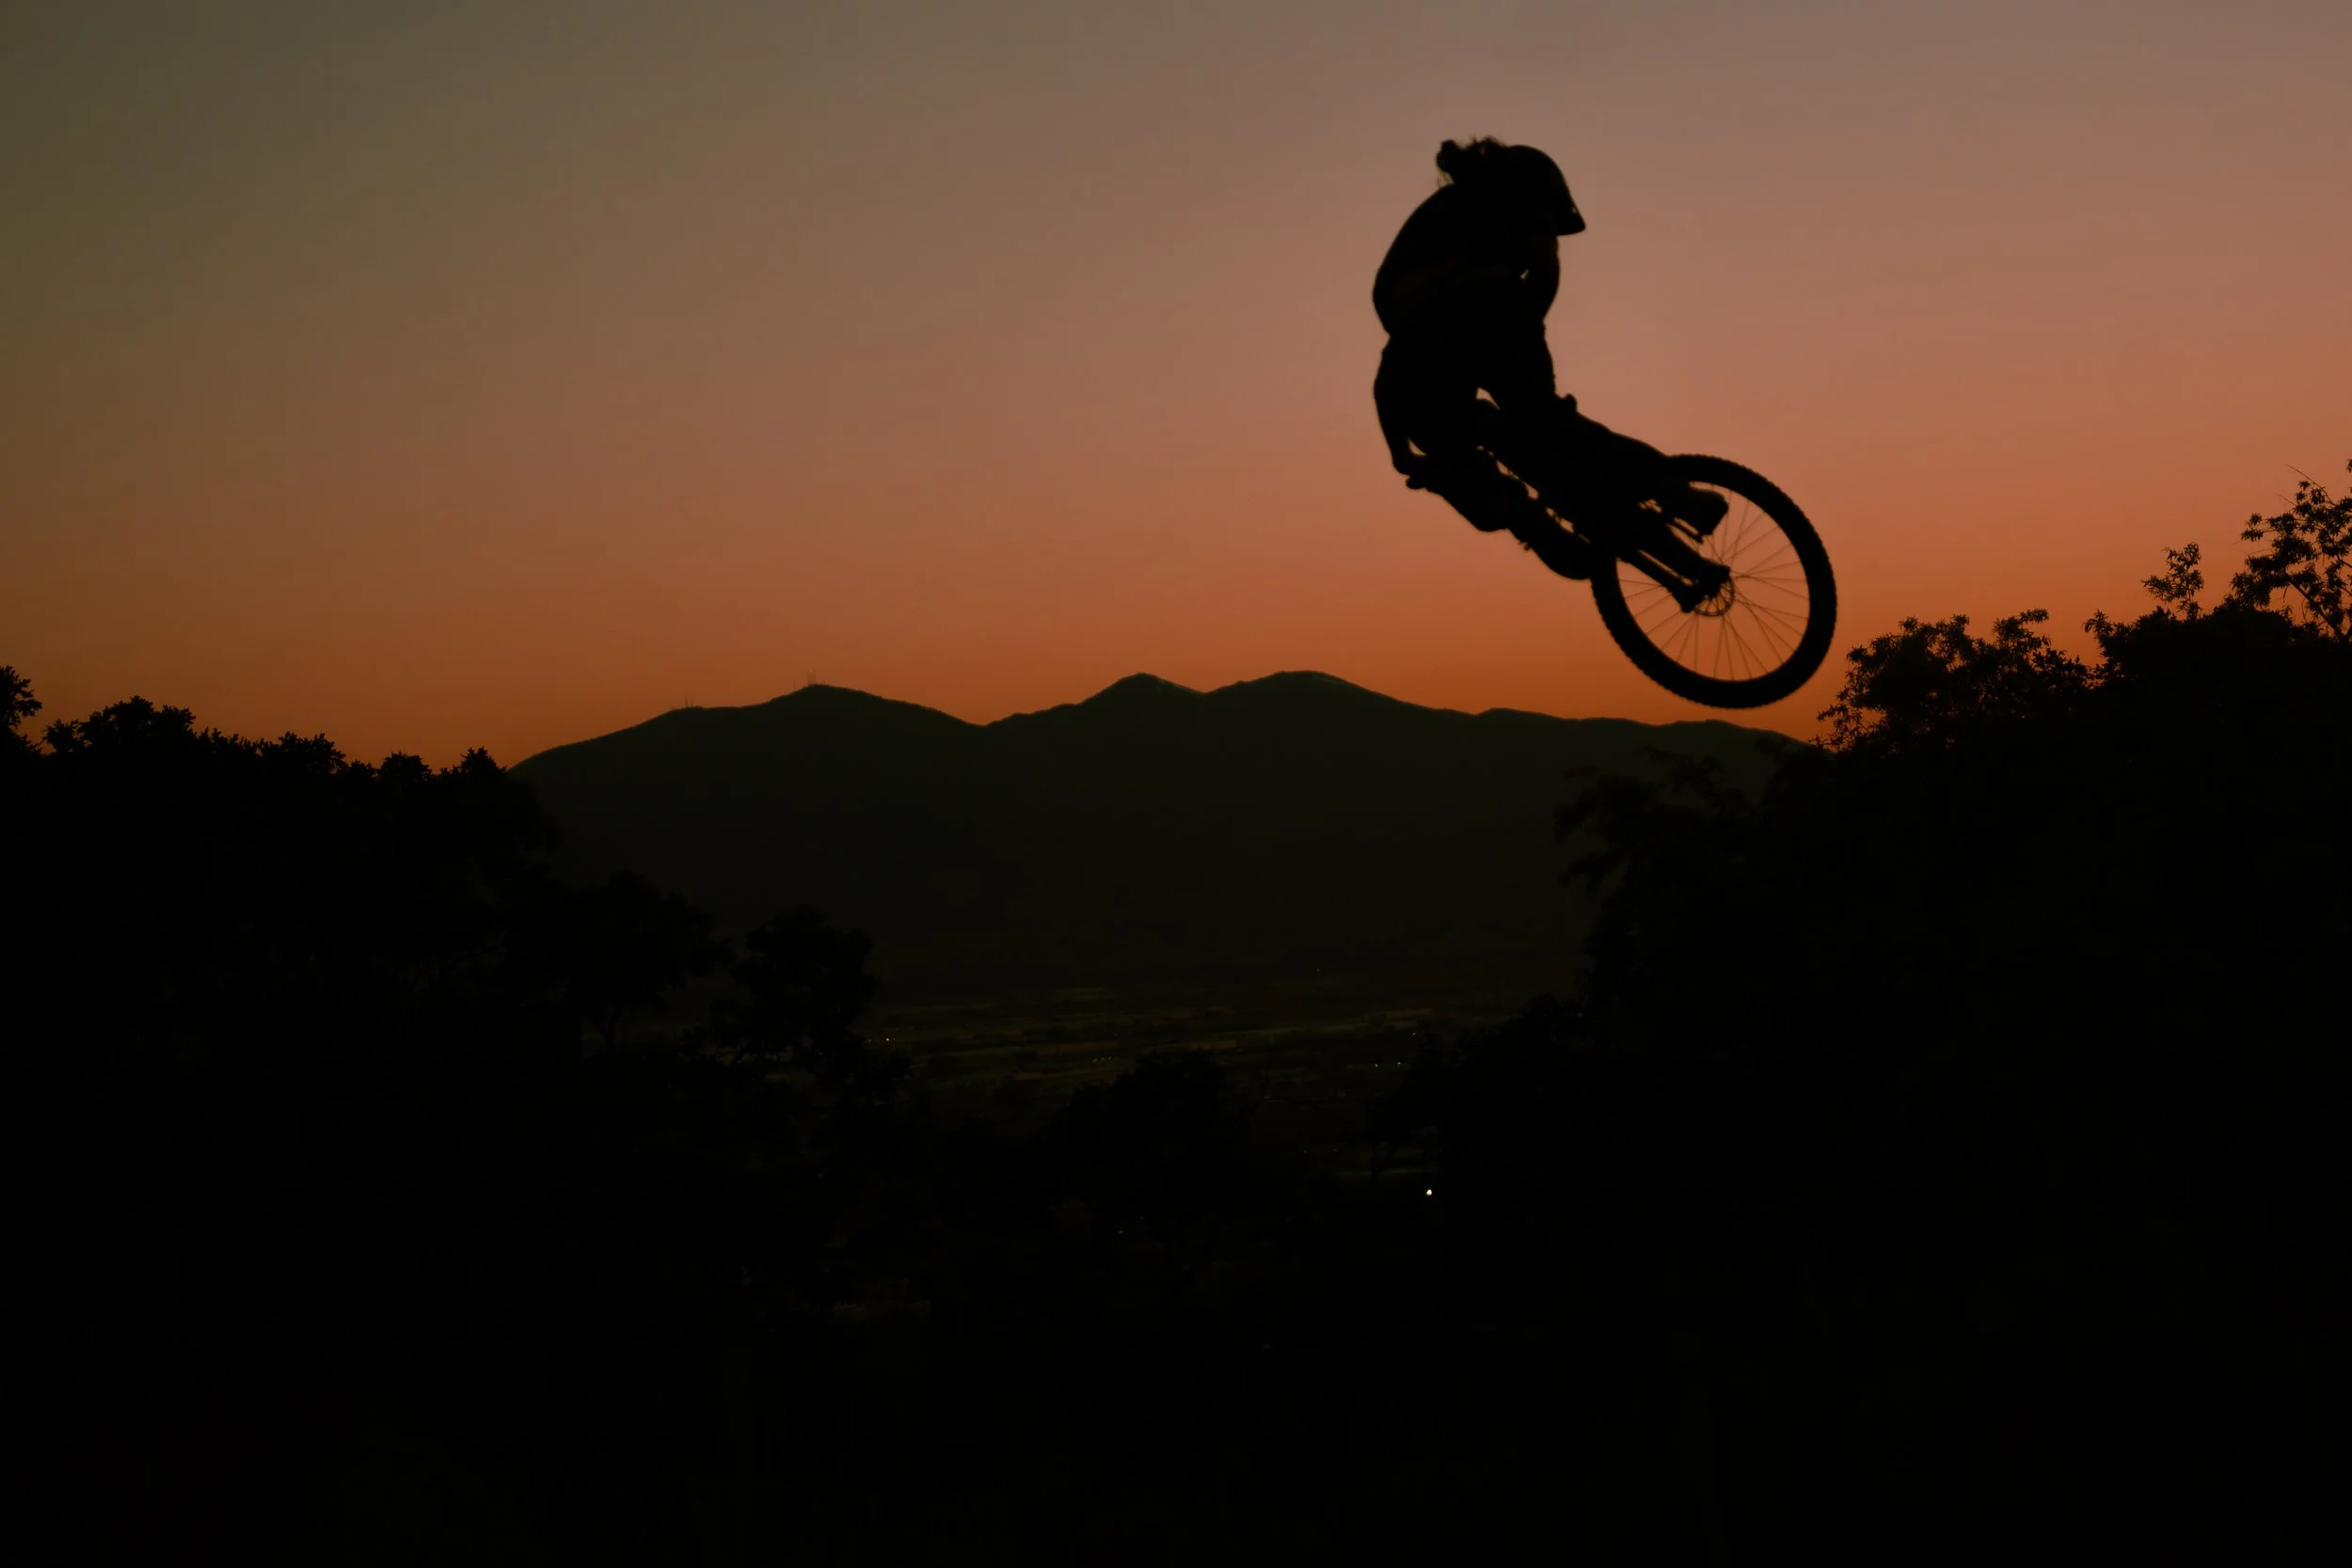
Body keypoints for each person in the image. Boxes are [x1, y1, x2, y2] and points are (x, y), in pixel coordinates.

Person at [1373, 138, 1721, 578]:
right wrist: (1521, 349)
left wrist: (1403, 455)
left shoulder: (1442, 212)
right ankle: (1676, 492)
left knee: (1449, 451)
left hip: (1415, 336)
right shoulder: (1519, 193)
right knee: (1545, 421)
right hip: (1484, 306)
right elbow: (1544, 272)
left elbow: (1389, 387)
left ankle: (1521, 516)